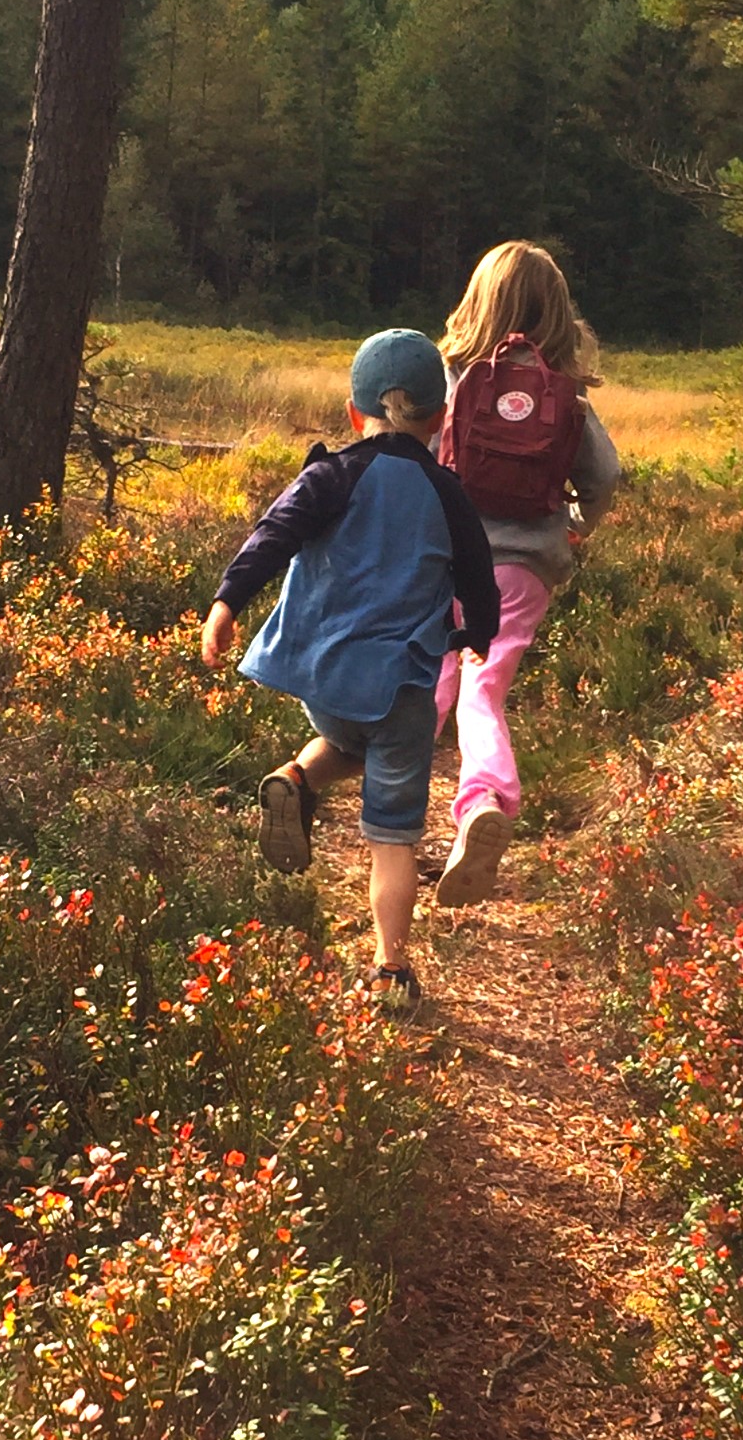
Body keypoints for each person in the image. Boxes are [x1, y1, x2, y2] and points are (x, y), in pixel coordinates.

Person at [199, 328, 499, 1012]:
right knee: (393, 835)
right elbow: (479, 577)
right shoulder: (445, 493)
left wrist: (226, 602)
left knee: (343, 742)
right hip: (401, 685)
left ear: (351, 412)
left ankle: (296, 779)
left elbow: (271, 534)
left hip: (324, 677)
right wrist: (477, 634)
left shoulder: (331, 474)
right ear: (441, 419)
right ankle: (392, 968)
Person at [431, 241, 621, 906]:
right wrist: (572, 531)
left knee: (430, 673)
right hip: (523, 568)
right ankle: (483, 799)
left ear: (480, 304)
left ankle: (382, 795)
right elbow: (605, 478)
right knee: (483, 687)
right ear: (557, 315)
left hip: (446, 559)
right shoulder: (566, 394)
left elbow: (416, 460)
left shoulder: (452, 379)